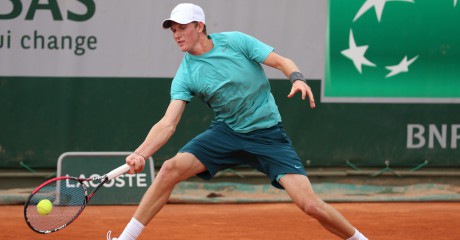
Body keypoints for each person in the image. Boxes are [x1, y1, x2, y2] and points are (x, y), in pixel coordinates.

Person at [107, 3, 368, 240]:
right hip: (227, 133)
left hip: (268, 135)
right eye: (173, 29)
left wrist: (297, 77)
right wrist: (141, 153)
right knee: (169, 170)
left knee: (310, 205)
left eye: (182, 28)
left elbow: (281, 61)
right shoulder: (186, 74)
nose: (177, 34)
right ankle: (125, 239)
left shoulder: (236, 42)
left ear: (200, 26)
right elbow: (168, 123)